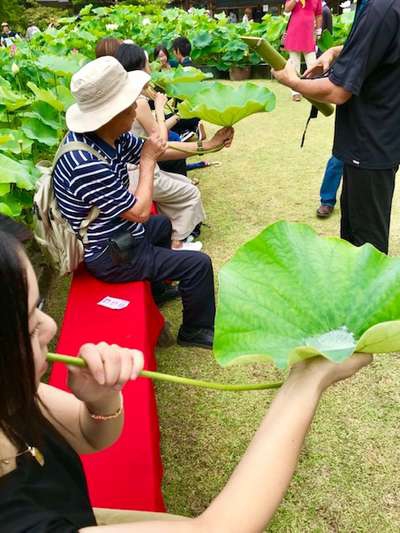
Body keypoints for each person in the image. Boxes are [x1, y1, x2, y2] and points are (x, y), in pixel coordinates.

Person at [0, 220, 373, 531]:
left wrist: (101, 398)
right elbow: (219, 529)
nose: (50, 327)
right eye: (30, 326)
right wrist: (306, 382)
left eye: (41, 309)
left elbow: (88, 435)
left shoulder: (11, 398)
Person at [53, 56, 234, 349]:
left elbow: (158, 148)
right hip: (109, 254)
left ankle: (157, 289)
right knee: (197, 264)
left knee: (162, 224)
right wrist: (147, 161)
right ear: (111, 114)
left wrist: (208, 145)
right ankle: (195, 331)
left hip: (118, 235)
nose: (137, 107)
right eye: (131, 104)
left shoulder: (106, 136)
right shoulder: (84, 161)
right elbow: (138, 211)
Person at [272, 0, 400, 254]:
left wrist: (292, 82)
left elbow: (338, 91)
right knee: (354, 242)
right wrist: (334, 52)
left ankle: (367, 294)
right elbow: (374, 46)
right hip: (378, 139)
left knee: (365, 248)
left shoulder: (380, 9)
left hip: (369, 143)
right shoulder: (384, 6)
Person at [116, 43, 206, 251]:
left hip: (132, 167)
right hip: (139, 172)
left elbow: (154, 133)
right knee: (191, 192)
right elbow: (160, 141)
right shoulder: (137, 102)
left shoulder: (124, 97)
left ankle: (173, 238)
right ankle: (177, 244)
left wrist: (176, 115)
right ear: (140, 68)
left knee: (181, 180)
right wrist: (158, 106)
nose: (151, 67)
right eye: (148, 63)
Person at [283, 0, 322, 101]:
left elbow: (318, 14)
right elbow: (287, 9)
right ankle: (295, 92)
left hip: (309, 34)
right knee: (294, 64)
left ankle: (312, 91)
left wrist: (318, 31)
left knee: (312, 63)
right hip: (294, 32)